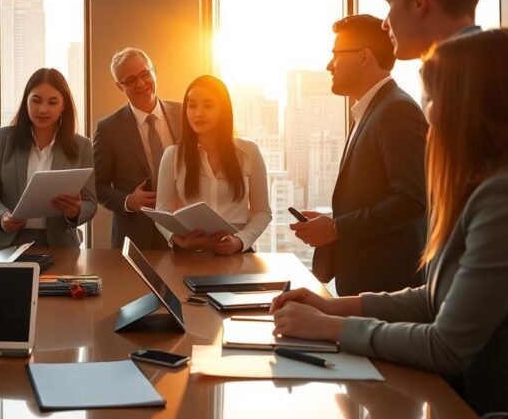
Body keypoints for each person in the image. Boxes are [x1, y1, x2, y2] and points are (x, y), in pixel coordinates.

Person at [271, 29, 508, 415]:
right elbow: (433, 299)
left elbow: (446, 346)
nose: (427, 114)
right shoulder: (487, 185)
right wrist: (331, 309)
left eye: (432, 99)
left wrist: (327, 329)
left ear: (470, 106)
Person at [291, 15, 427, 295]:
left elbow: (412, 200)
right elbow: (375, 193)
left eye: (336, 55)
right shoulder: (371, 110)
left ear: (364, 57)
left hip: (387, 289)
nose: (329, 65)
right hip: (367, 284)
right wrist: (331, 220)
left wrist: (337, 228)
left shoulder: (396, 111)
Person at [0, 68, 97, 250]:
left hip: (58, 245)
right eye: (36, 100)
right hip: (5, 243)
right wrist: (2, 216)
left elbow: (90, 203)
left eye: (52, 102)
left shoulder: (82, 146)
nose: (43, 109)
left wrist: (76, 212)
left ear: (63, 105)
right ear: (26, 100)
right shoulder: (3, 138)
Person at [155, 75, 270, 253]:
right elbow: (162, 214)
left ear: (223, 109)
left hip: (239, 255)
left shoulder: (249, 151)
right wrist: (180, 241)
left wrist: (240, 241)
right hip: (191, 255)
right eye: (192, 105)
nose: (198, 113)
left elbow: (263, 212)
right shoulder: (172, 155)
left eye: (208, 105)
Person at [93, 48, 182, 249]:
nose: (141, 84)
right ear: (119, 86)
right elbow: (96, 186)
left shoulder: (184, 113)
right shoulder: (108, 129)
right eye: (131, 80)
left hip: (183, 232)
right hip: (136, 237)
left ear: (154, 71)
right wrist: (128, 201)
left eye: (145, 74)